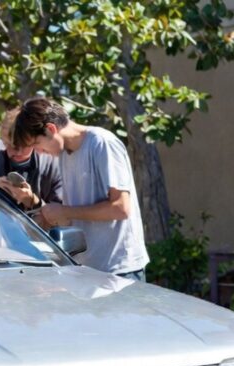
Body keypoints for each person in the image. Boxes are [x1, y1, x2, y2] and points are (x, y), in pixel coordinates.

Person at [12, 97, 149, 280]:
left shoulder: (102, 143)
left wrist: (66, 212)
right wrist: (46, 216)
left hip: (119, 271)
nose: (37, 153)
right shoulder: (63, 155)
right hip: (86, 271)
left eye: (36, 145)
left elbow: (121, 208)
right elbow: (74, 216)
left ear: (51, 130)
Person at [0, 108, 63, 209]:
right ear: (3, 139)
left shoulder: (54, 165)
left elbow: (62, 219)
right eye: (10, 145)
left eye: (23, 145)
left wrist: (32, 201)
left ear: (35, 139)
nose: (17, 152)